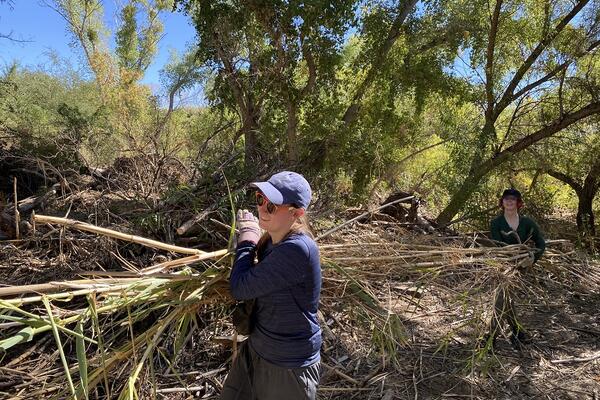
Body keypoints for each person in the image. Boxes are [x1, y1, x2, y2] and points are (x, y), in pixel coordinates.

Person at [220, 171, 322, 400]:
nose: (262, 209)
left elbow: (240, 287)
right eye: (260, 199)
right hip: (258, 348)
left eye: (272, 206)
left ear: (297, 213)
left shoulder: (297, 250)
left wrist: (246, 240)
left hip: (288, 364)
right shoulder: (270, 242)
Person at [486, 188, 546, 348]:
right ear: (502, 202)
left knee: (505, 297)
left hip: (522, 266)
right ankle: (509, 333)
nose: (509, 201)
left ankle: (494, 336)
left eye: (513, 199)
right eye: (506, 198)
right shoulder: (496, 223)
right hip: (502, 265)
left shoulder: (528, 223)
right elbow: (499, 247)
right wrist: (508, 263)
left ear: (518, 203)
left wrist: (532, 259)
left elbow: (541, 244)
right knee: (503, 298)